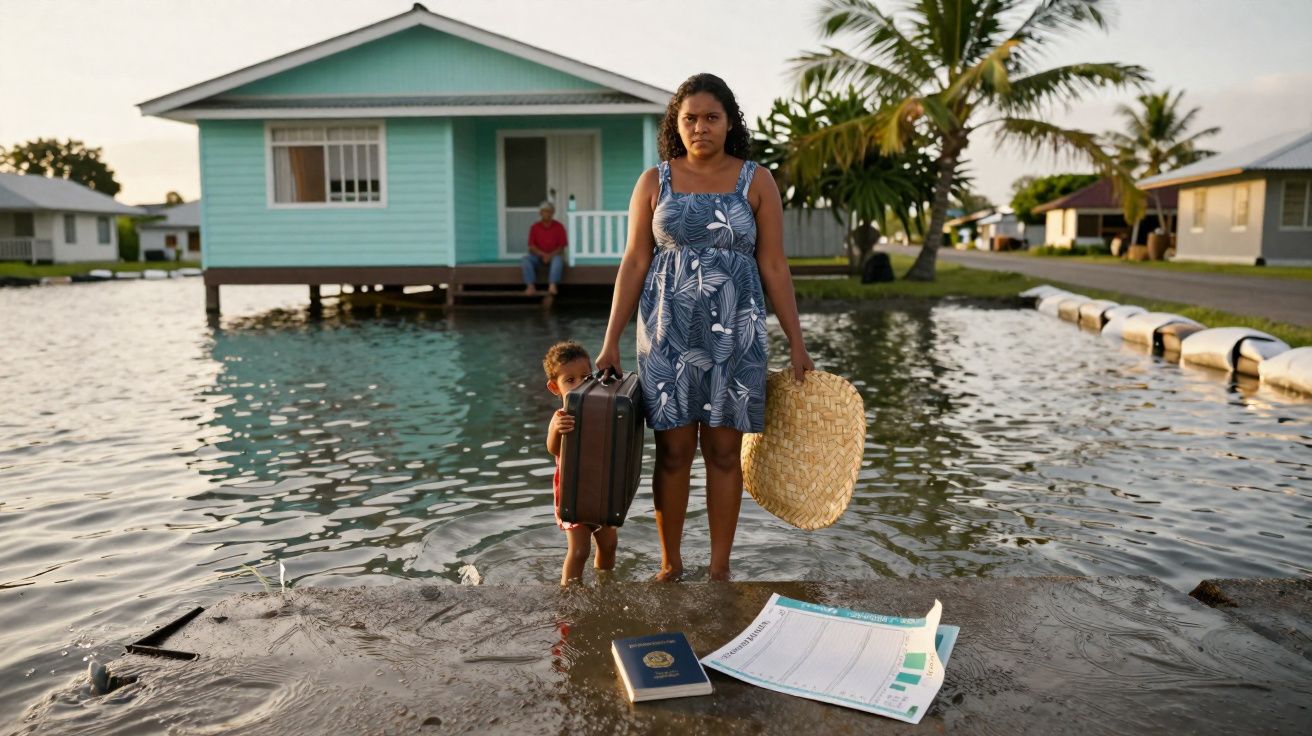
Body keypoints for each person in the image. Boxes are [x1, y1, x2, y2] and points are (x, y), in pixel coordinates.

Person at [595, 73, 813, 582]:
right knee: (671, 452)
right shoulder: (655, 182)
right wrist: (609, 340)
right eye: (689, 118)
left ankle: (719, 568)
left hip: (735, 332)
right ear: (676, 122)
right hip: (667, 333)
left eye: (711, 117)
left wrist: (797, 343)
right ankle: (670, 564)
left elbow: (774, 265)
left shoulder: (755, 181)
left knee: (722, 450)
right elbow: (633, 262)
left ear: (730, 122)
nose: (700, 127)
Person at [542, 340, 618, 585]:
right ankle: (569, 593)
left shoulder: (600, 408)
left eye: (585, 377)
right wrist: (558, 432)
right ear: (555, 387)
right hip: (572, 493)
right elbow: (553, 449)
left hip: (600, 490)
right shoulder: (561, 417)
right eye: (570, 380)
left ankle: (604, 583)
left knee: (608, 544)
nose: (579, 384)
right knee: (579, 550)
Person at [522, 201, 568, 295]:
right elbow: (531, 246)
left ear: (553, 213)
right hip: (538, 256)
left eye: (549, 211)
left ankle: (552, 285)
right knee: (526, 259)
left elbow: (561, 247)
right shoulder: (535, 227)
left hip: (554, 256)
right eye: (544, 211)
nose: (547, 214)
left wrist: (549, 255)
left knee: (558, 260)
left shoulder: (559, 227)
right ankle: (530, 286)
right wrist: (543, 254)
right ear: (540, 213)